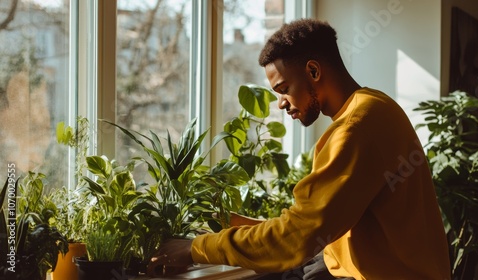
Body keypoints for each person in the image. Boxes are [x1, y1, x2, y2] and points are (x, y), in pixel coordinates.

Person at [147, 18, 451, 279]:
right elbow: (325, 225)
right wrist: (235, 225)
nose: (280, 103)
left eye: (283, 89)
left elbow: (298, 237)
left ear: (314, 72)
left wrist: (193, 248)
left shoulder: (355, 128)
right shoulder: (375, 107)